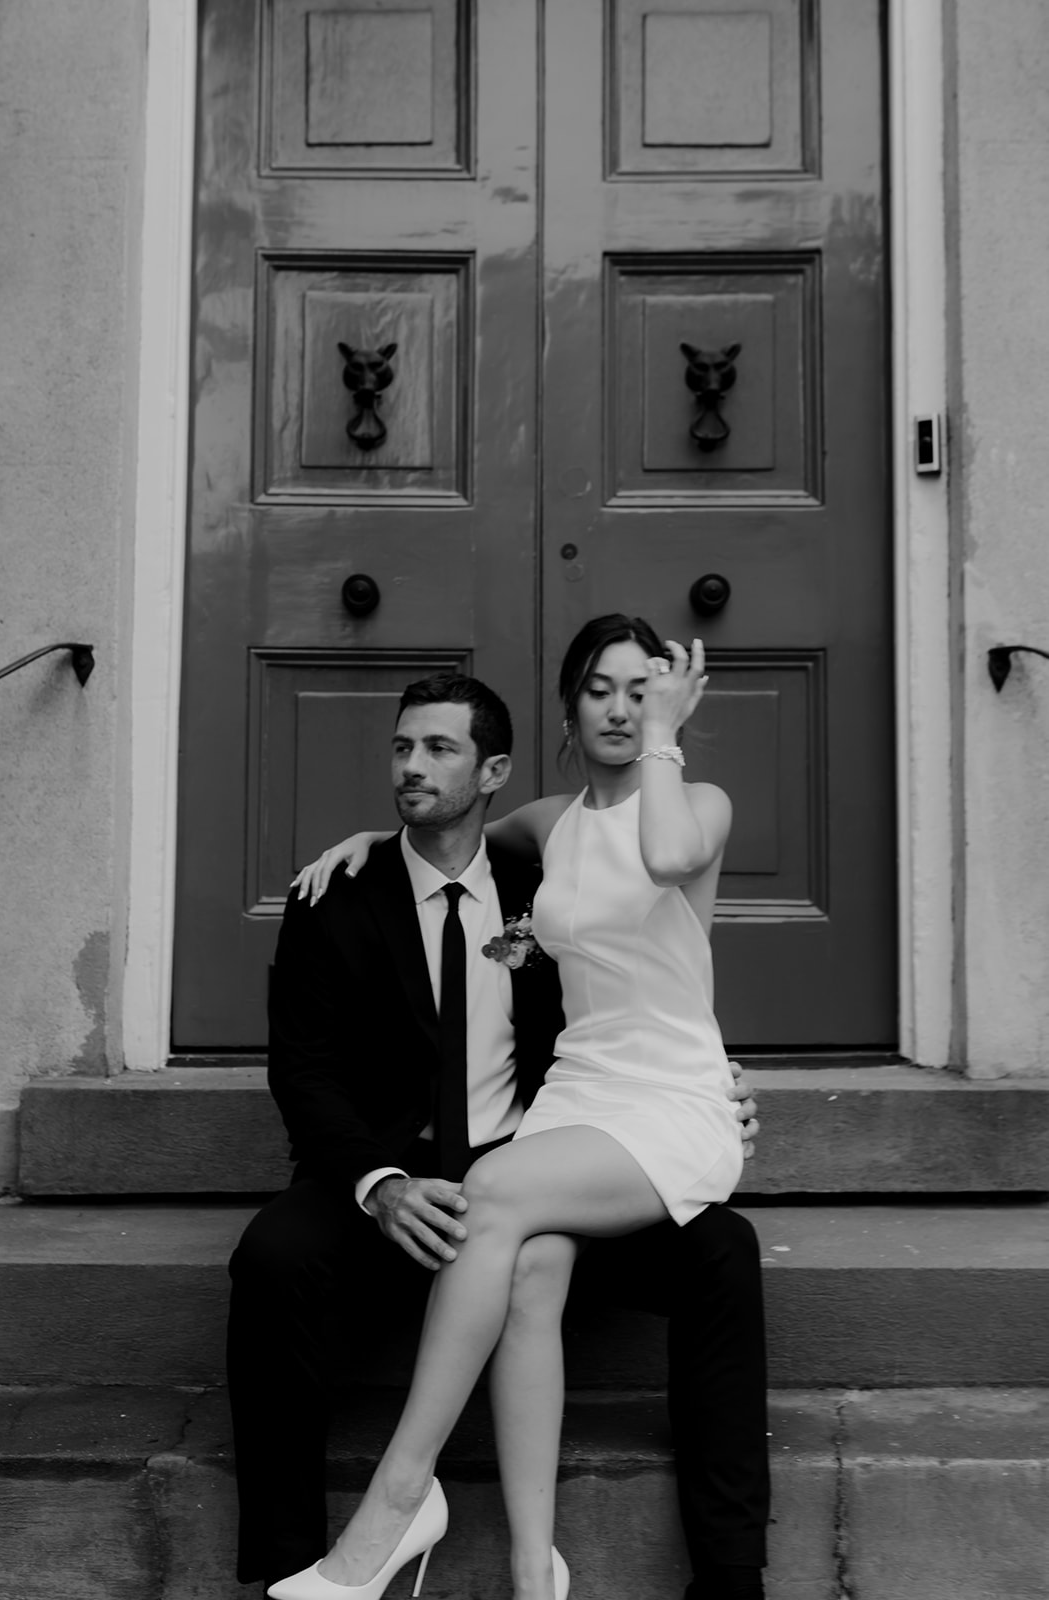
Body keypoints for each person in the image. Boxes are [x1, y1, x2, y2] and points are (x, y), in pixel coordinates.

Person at [248, 616, 768, 1600]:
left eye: (639, 685)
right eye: (599, 689)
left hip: (664, 1098)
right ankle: (536, 1570)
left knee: (500, 1194)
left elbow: (662, 857)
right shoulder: (547, 826)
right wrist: (375, 837)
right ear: (568, 711)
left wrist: (665, 732)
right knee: (529, 1259)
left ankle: (400, 1498)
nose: (620, 705)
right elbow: (457, 833)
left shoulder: (696, 802)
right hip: (578, 1092)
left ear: (666, 699)